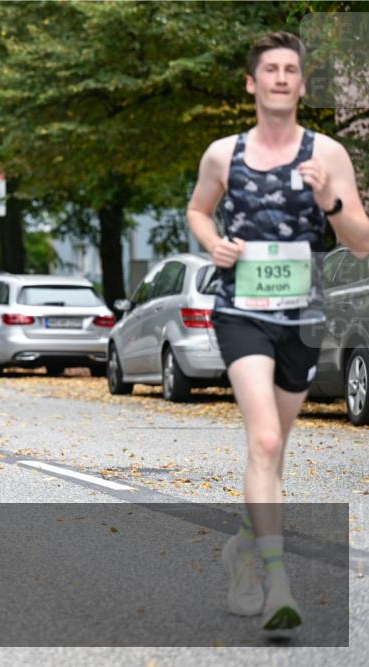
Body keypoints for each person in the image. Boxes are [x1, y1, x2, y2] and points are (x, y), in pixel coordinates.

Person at [187, 31, 369, 634]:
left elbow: (361, 241)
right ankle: (277, 584)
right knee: (264, 442)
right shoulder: (224, 154)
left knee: (274, 452)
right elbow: (198, 209)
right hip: (240, 312)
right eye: (271, 69)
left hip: (302, 317)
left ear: (302, 84)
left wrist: (330, 201)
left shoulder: (329, 156)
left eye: (292, 69)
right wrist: (214, 244)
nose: (282, 78)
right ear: (252, 82)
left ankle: (242, 549)